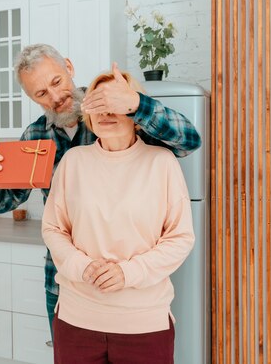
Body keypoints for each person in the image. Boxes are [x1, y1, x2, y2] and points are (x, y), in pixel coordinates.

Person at [0, 43, 200, 335]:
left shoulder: (119, 113)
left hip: (135, 290)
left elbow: (189, 141)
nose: (55, 97)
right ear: (31, 97)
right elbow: (3, 202)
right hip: (66, 283)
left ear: (68, 67)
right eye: (41, 94)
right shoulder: (35, 136)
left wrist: (136, 104)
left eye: (56, 82)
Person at [41, 71, 195, 364]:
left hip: (144, 324)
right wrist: (83, 267)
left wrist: (128, 273)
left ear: (134, 110)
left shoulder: (161, 162)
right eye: (97, 104)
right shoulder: (73, 162)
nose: (106, 112)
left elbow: (180, 238)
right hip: (76, 321)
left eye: (115, 102)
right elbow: (53, 229)